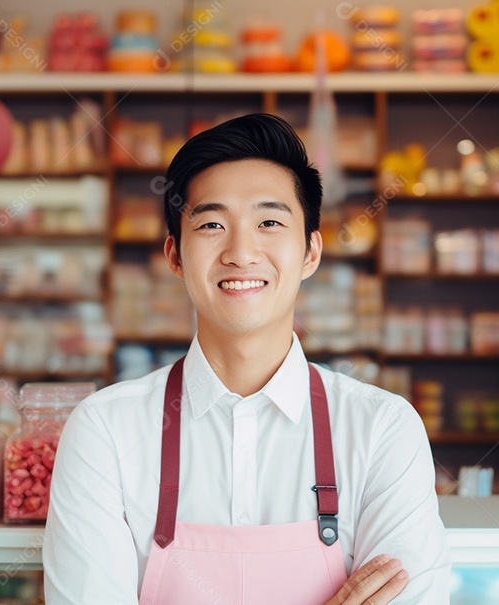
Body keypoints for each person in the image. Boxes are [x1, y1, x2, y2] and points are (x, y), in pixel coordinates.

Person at [43, 113, 450, 604]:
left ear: (310, 253)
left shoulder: (382, 428)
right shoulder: (105, 430)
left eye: (270, 222)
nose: (241, 252)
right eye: (212, 224)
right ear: (175, 255)